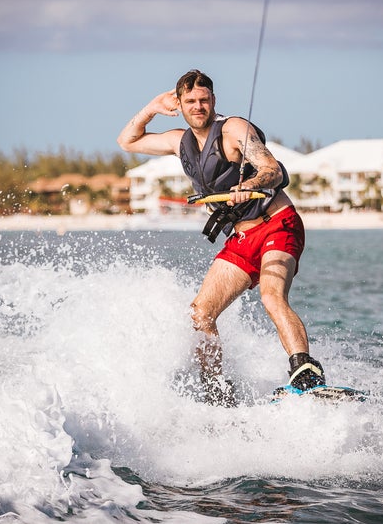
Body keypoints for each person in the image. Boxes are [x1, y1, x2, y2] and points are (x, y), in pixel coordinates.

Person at [117, 69, 324, 406]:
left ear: (213, 101)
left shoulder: (233, 130)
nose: (198, 106)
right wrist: (153, 107)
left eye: (204, 99)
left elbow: (272, 169)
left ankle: (306, 373)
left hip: (276, 224)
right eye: (190, 101)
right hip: (242, 239)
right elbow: (127, 141)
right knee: (201, 313)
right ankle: (216, 391)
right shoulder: (178, 141)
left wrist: (249, 186)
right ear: (180, 105)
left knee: (272, 296)